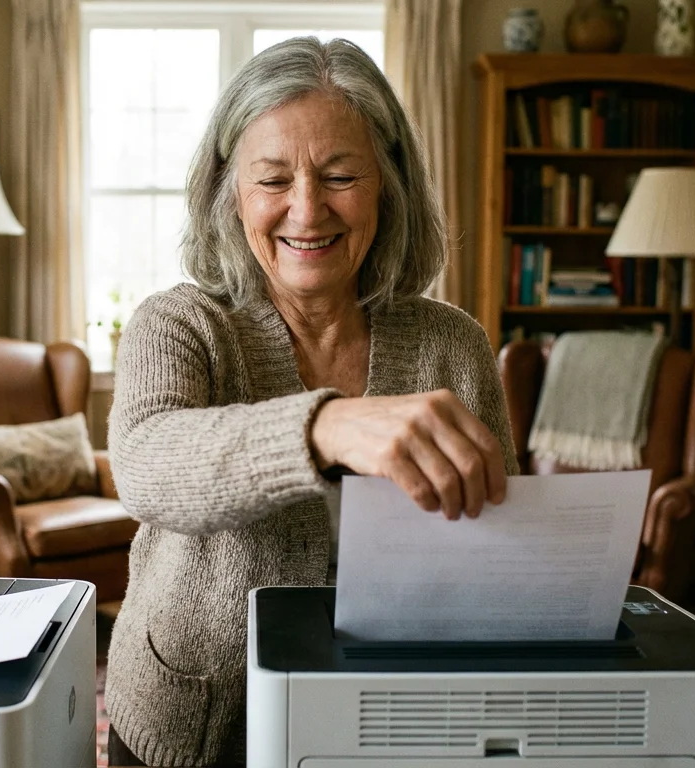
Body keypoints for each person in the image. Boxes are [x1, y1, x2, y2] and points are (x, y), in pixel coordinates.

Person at [104, 36, 519, 767]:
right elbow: (146, 464)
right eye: (272, 179)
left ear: (387, 184)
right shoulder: (179, 323)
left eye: (339, 175)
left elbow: (495, 544)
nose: (306, 210)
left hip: (390, 726)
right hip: (191, 726)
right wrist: (327, 425)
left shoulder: (453, 346)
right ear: (229, 192)